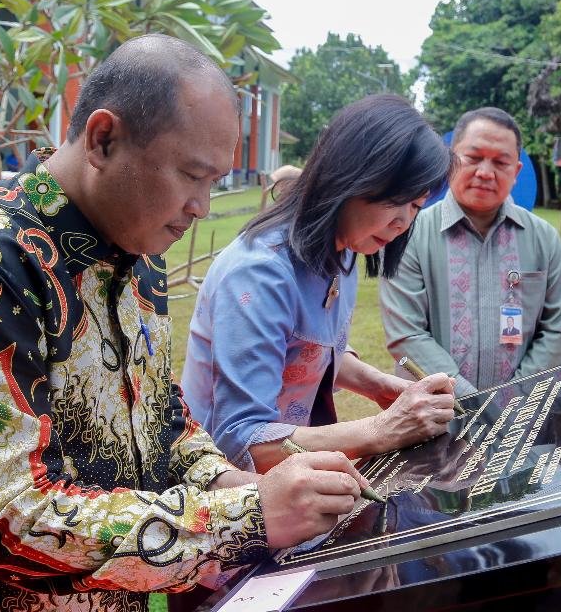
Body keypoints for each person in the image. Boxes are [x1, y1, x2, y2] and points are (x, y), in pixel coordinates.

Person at [0, 35, 373, 610]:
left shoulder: (136, 256)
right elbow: (5, 515)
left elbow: (164, 423)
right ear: (104, 140)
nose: (203, 206)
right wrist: (250, 514)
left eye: (214, 181)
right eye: (191, 175)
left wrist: (251, 487)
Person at [181, 94, 457, 474]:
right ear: (351, 174)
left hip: (291, 489)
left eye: (416, 206)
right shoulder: (259, 275)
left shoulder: (342, 254)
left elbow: (308, 352)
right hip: (226, 500)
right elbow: (240, 439)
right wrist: (383, 429)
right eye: (397, 200)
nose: (403, 223)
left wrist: (378, 385)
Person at [380, 107, 561, 399]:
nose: (485, 172)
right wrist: (473, 402)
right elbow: (407, 335)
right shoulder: (407, 233)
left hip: (521, 413)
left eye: (500, 162)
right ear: (450, 158)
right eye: (473, 157)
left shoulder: (543, 238)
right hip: (432, 411)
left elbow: (557, 332)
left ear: (516, 171)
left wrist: (514, 398)